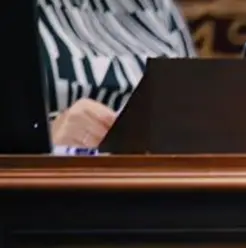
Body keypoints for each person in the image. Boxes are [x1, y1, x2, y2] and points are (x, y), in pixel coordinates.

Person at [36, 0, 196, 148]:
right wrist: (46, 139)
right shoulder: (17, 14)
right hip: (55, 170)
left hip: (156, 168)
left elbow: (198, 114)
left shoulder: (159, 8)